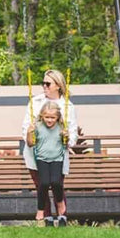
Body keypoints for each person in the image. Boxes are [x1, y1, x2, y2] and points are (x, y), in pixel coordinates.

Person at [21, 69, 78, 219]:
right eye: (43, 83)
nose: (44, 86)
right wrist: (30, 134)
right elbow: (25, 127)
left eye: (48, 83)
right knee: (42, 186)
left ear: (58, 85)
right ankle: (46, 218)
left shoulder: (67, 106)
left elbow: (73, 132)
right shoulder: (35, 102)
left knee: (57, 184)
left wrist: (68, 140)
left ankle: (62, 216)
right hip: (36, 154)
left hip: (57, 154)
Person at [26, 101, 69, 227]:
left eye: (53, 117)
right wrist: (30, 132)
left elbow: (66, 143)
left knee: (56, 182)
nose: (49, 120)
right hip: (42, 158)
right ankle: (40, 209)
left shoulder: (61, 126)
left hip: (57, 158)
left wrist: (66, 136)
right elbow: (30, 143)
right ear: (42, 116)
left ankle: (60, 202)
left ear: (58, 117)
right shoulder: (37, 126)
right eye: (47, 117)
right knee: (43, 183)